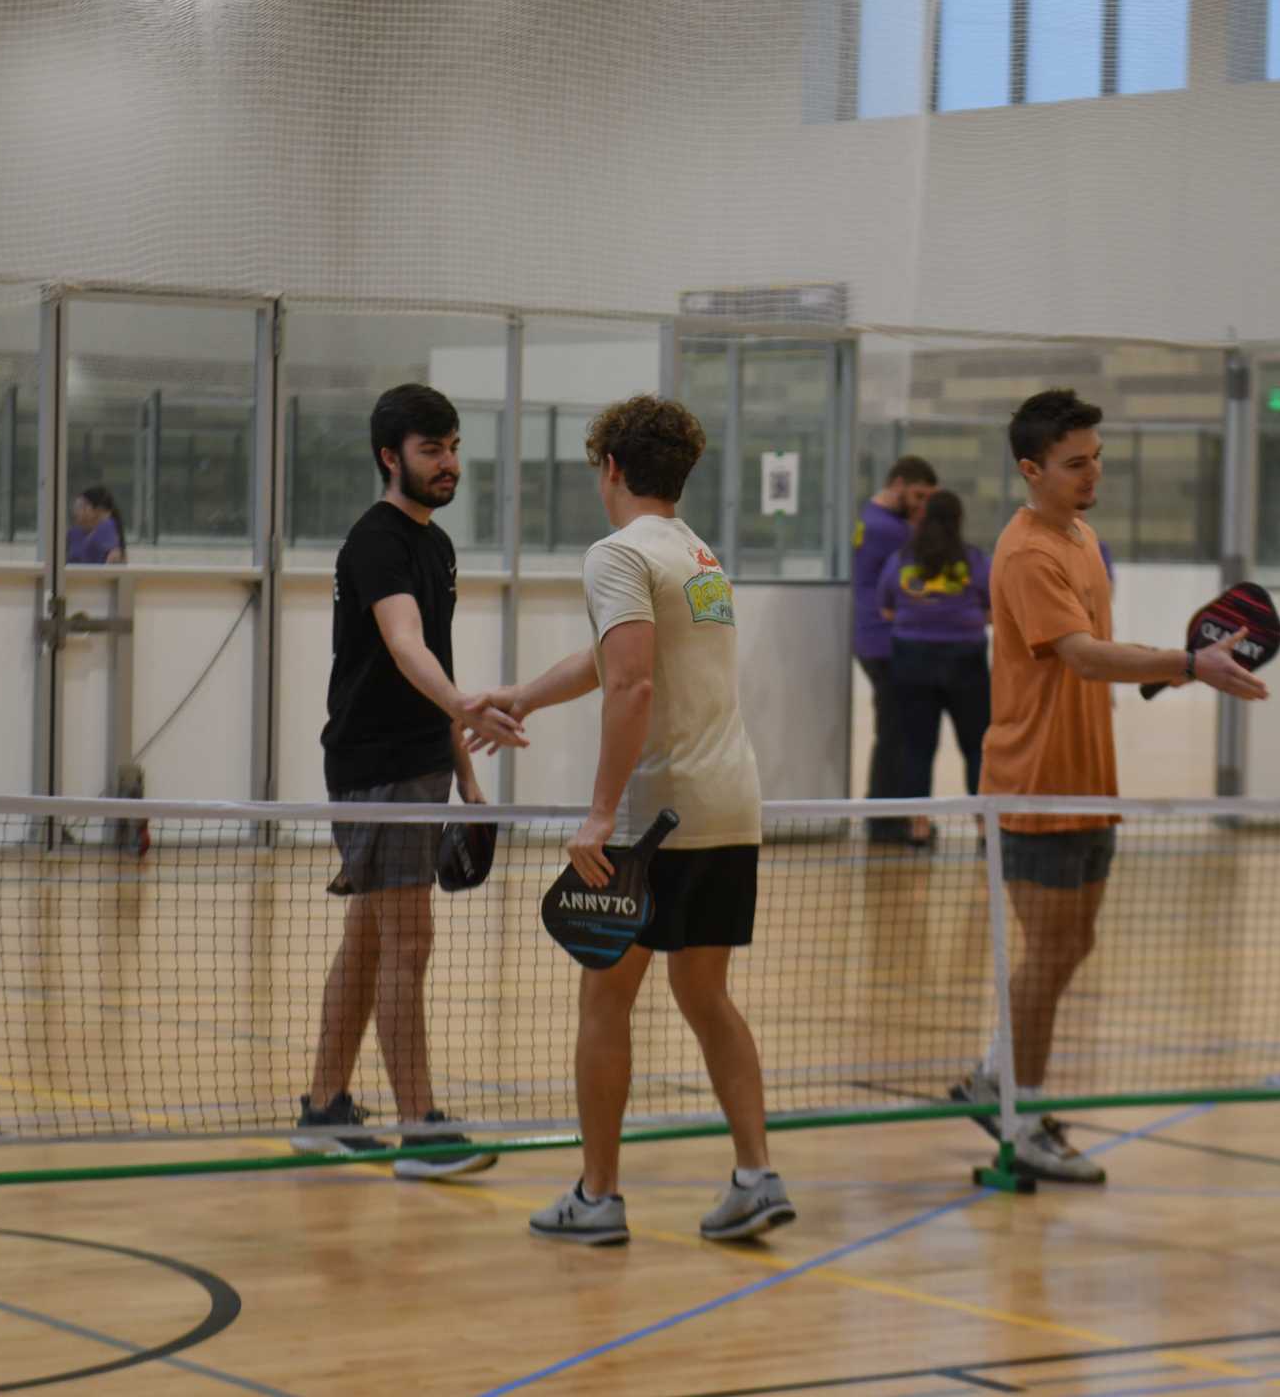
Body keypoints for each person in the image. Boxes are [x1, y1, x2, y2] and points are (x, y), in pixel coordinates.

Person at [494, 394, 792, 1247]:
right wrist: (523, 696)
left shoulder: (616, 553)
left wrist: (598, 816)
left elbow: (632, 685)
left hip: (652, 821)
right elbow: (615, 658)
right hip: (729, 805)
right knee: (705, 994)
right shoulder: (698, 557)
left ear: (611, 470)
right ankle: (754, 1174)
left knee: (605, 1000)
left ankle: (598, 1195)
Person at [953, 389, 1267, 1182]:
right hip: (1035, 782)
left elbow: (1096, 652)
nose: (1093, 475)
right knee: (1050, 947)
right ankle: (1019, 1112)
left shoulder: (1083, 537)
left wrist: (1173, 668)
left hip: (1090, 777)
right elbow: (1082, 656)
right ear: (1030, 470)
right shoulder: (1028, 552)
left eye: (1097, 460)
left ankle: (997, 1076)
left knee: (1070, 945)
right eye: (1074, 464)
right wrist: (1187, 663)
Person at [293, 383, 525, 1180]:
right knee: (409, 941)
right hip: (377, 768)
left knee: (368, 940)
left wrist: (464, 773)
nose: (450, 463)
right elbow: (402, 644)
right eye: (433, 450)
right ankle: (420, 1126)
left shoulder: (438, 545)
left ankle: (325, 1110)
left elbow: (439, 662)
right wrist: (463, 708)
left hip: (422, 763)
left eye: (455, 447)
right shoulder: (376, 543)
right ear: (391, 456)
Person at [877, 489, 991, 806]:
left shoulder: (900, 559)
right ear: (959, 521)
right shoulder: (975, 559)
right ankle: (984, 825)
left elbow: (886, 610)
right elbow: (994, 609)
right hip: (966, 660)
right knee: (976, 746)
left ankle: (918, 826)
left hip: (911, 659)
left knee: (917, 748)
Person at [853, 456, 938, 843]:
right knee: (897, 734)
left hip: (872, 640)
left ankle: (886, 818)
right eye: (918, 495)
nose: (922, 506)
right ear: (899, 483)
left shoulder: (869, 518)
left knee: (893, 732)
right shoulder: (894, 531)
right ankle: (886, 822)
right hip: (886, 642)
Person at [66, 485, 127, 565]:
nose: (76, 511)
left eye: (82, 506)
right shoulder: (74, 533)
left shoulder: (107, 528)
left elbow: (113, 561)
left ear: (98, 510)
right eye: (77, 506)